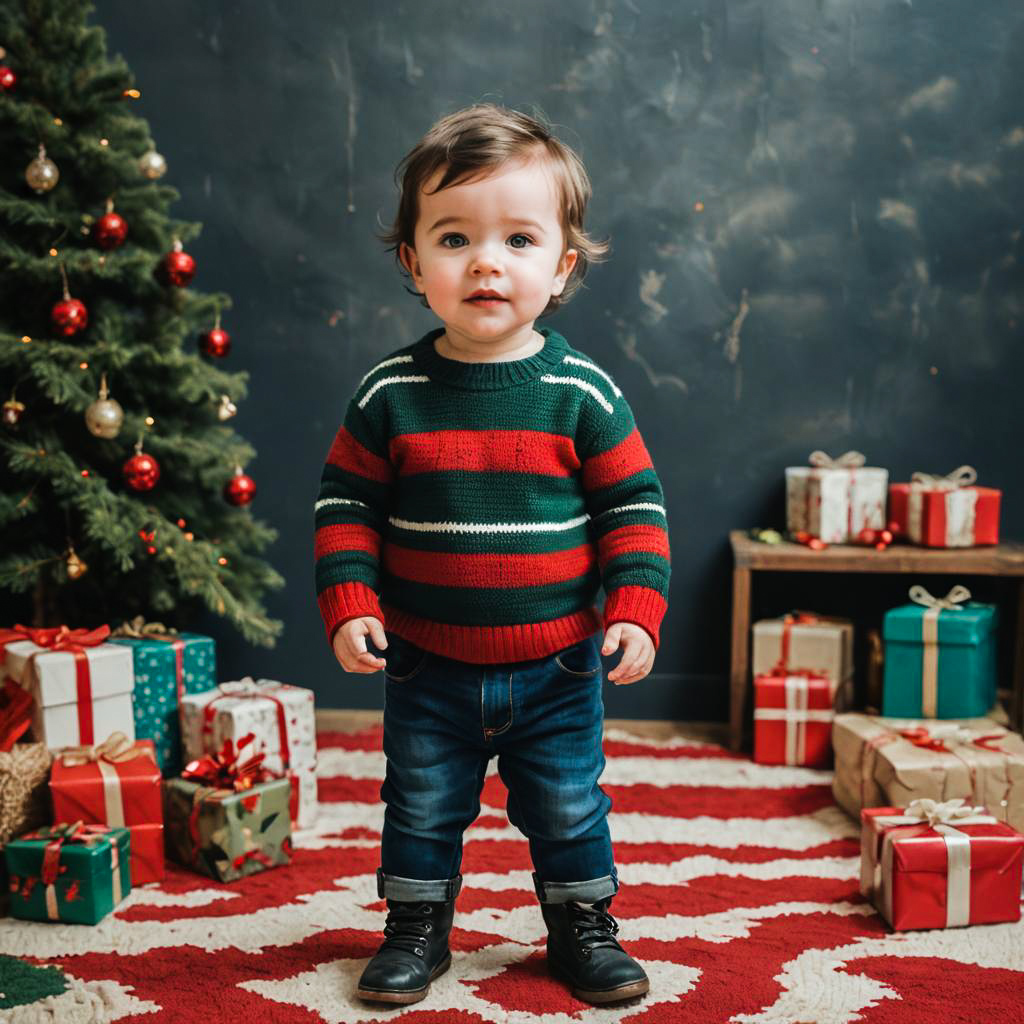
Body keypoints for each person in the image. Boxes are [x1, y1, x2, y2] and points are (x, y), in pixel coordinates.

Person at [313, 102, 671, 1007]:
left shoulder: (578, 389)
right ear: (413, 263)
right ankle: (417, 929)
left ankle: (583, 926)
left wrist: (635, 611)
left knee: (567, 806)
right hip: (427, 665)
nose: (485, 262)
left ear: (562, 267)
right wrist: (350, 600)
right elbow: (346, 506)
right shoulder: (391, 391)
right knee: (423, 805)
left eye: (518, 239)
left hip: (556, 665)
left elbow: (633, 507)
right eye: (453, 237)